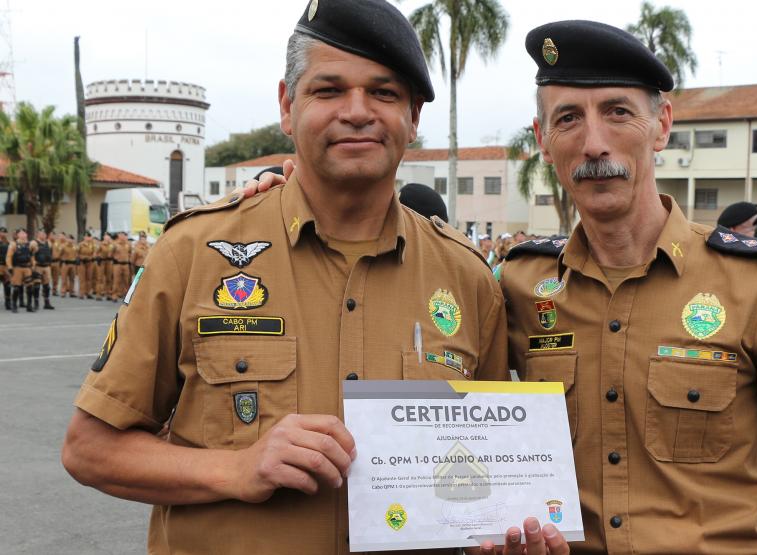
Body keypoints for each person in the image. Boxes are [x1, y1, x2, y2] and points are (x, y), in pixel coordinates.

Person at [61, 2, 563, 554]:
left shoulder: (467, 277)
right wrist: (237, 468)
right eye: (329, 90)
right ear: (287, 104)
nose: (357, 112)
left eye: (383, 93)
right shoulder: (194, 252)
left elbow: (487, 477)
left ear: (414, 116)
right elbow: (90, 449)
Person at [494, 20, 757, 554]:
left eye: (617, 112)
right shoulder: (522, 284)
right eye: (568, 118)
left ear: (661, 126)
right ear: (543, 141)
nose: (594, 144)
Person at [6, 228, 35, 313]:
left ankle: (29, 305)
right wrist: (10, 267)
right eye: (21, 233)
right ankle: (14, 305)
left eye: (24, 233)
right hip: (17, 268)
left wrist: (33, 266)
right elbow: (8, 257)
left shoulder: (29, 245)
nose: (23, 235)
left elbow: (32, 256)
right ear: (18, 235)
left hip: (27, 268)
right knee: (16, 288)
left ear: (26, 235)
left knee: (30, 287)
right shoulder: (13, 244)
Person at [33, 229, 55, 309]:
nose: (43, 235)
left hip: (46, 266)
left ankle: (47, 303)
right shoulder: (34, 243)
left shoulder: (48, 243)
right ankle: (36, 303)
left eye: (44, 233)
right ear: (38, 234)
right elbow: (31, 255)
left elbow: (50, 253)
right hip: (38, 266)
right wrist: (33, 266)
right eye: (41, 233)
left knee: (47, 286)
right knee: (37, 285)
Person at [110, 231, 131, 301]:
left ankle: (125, 295)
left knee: (126, 281)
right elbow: (110, 253)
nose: (122, 237)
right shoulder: (115, 244)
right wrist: (114, 258)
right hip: (117, 264)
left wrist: (129, 259)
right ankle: (114, 295)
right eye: (121, 235)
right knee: (116, 280)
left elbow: (130, 253)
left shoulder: (128, 244)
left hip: (126, 264)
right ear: (118, 236)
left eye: (124, 235)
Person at [77, 232, 96, 299]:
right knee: (82, 278)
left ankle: (88, 292)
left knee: (89, 278)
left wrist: (90, 257)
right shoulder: (80, 244)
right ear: (84, 237)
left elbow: (94, 253)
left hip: (90, 262)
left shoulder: (92, 245)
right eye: (86, 236)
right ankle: (81, 293)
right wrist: (82, 257)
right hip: (82, 263)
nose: (88, 238)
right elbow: (77, 253)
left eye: (89, 237)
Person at [95, 232, 113, 301]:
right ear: (104, 237)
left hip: (109, 262)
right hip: (102, 261)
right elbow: (95, 253)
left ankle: (108, 294)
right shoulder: (100, 244)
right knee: (100, 278)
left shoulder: (112, 245)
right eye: (106, 236)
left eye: (108, 236)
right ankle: (98, 294)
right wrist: (98, 257)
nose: (107, 238)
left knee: (109, 278)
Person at [0, 226, 10, 310]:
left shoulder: (8, 243)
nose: (3, 234)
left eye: (4, 232)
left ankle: (8, 302)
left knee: (7, 285)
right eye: (1, 232)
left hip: (6, 266)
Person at [50, 231, 62, 296]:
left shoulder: (58, 243)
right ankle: (45, 290)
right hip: (49, 262)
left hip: (56, 262)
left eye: (54, 235)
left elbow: (60, 252)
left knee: (56, 277)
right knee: (46, 277)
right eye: (51, 235)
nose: (52, 237)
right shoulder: (47, 242)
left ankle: (54, 290)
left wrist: (58, 257)